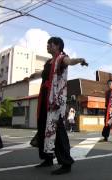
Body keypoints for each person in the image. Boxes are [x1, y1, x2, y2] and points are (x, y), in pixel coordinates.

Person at [34, 37, 88, 175]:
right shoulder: (49, 62)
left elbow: (70, 61)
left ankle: (66, 163)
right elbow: (41, 74)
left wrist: (80, 59)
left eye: (49, 44)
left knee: (57, 129)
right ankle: (47, 158)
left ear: (57, 46)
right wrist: (29, 77)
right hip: (45, 97)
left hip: (56, 100)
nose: (47, 46)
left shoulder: (62, 58)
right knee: (43, 127)